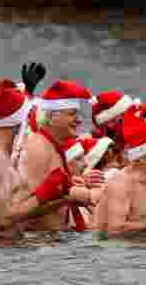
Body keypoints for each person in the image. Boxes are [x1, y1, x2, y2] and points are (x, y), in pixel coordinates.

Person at [0, 80, 73, 242]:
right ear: (17, 120)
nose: (31, 122)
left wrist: (61, 198)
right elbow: (2, 220)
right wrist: (43, 193)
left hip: (5, 246)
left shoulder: (2, 153)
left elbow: (16, 208)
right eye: (27, 116)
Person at [19, 80, 95, 231]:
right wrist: (70, 196)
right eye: (72, 114)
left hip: (53, 242)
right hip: (37, 243)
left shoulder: (51, 146)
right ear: (52, 117)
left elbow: (47, 190)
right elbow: (25, 207)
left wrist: (70, 186)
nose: (79, 120)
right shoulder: (39, 148)